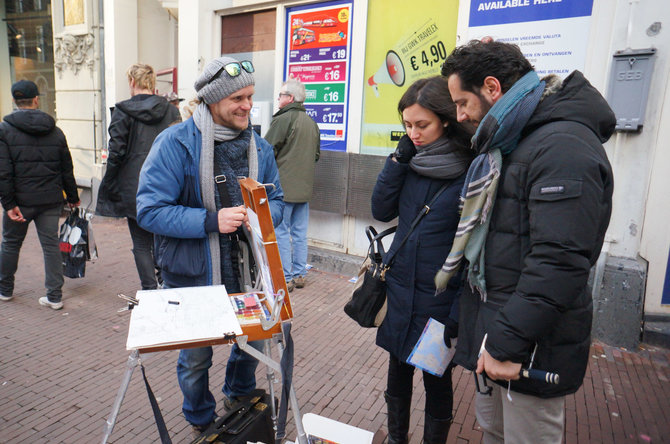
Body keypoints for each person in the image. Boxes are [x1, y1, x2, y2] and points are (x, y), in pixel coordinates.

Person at [436, 40, 615, 443]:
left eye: (463, 102)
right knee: (494, 433)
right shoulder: (512, 141)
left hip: (530, 345)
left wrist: (504, 342)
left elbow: (559, 261)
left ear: (493, 88)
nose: (460, 116)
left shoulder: (562, 146)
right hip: (500, 333)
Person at [136, 56, 284, 436]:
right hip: (193, 275)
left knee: (253, 344)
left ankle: (238, 395)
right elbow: (150, 210)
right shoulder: (175, 143)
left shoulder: (260, 148)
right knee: (196, 358)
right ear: (212, 101)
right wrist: (210, 220)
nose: (248, 106)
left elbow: (277, 201)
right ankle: (201, 419)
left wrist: (262, 216)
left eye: (250, 96)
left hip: (249, 273)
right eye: (238, 98)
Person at [371, 76, 474, 444]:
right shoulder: (409, 160)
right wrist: (398, 159)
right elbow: (380, 209)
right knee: (397, 368)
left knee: (436, 378)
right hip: (401, 289)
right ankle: (397, 438)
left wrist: (457, 311)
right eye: (407, 125)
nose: (413, 133)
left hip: (439, 297)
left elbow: (472, 246)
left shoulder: (469, 170)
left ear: (445, 120)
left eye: (421, 125)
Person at [96, 64, 181, 290]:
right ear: (152, 83)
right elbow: (181, 148)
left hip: (134, 186)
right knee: (164, 237)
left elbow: (116, 152)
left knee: (141, 243)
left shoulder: (123, 111)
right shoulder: (171, 110)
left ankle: (150, 290)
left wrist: (110, 184)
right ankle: (167, 281)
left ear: (132, 82)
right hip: (167, 182)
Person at [0, 80, 80, 310]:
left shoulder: (4, 130)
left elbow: (3, 172)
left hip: (20, 202)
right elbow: (67, 168)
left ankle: (5, 290)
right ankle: (54, 296)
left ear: (14, 101)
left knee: (11, 244)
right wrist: (73, 196)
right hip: (49, 200)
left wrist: (8, 203)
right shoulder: (55, 131)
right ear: (37, 100)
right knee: (50, 245)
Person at [264, 78, 320, 291]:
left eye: (280, 95)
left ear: (290, 98)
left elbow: (267, 151)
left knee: (281, 232)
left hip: (283, 190)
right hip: (304, 190)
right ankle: (299, 274)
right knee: (299, 233)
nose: (278, 99)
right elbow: (316, 155)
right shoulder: (311, 123)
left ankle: (286, 277)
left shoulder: (283, 119)